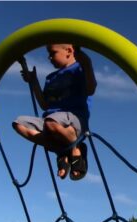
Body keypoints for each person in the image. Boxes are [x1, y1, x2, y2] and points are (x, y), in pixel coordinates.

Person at [12, 44, 97, 181]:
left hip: (74, 119)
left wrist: (87, 63)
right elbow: (45, 105)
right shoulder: (51, 78)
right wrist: (33, 81)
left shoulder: (79, 69)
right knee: (18, 124)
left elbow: (91, 89)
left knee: (51, 123)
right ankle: (63, 150)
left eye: (52, 53)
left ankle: (74, 146)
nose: (49, 57)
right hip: (51, 121)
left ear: (69, 51)